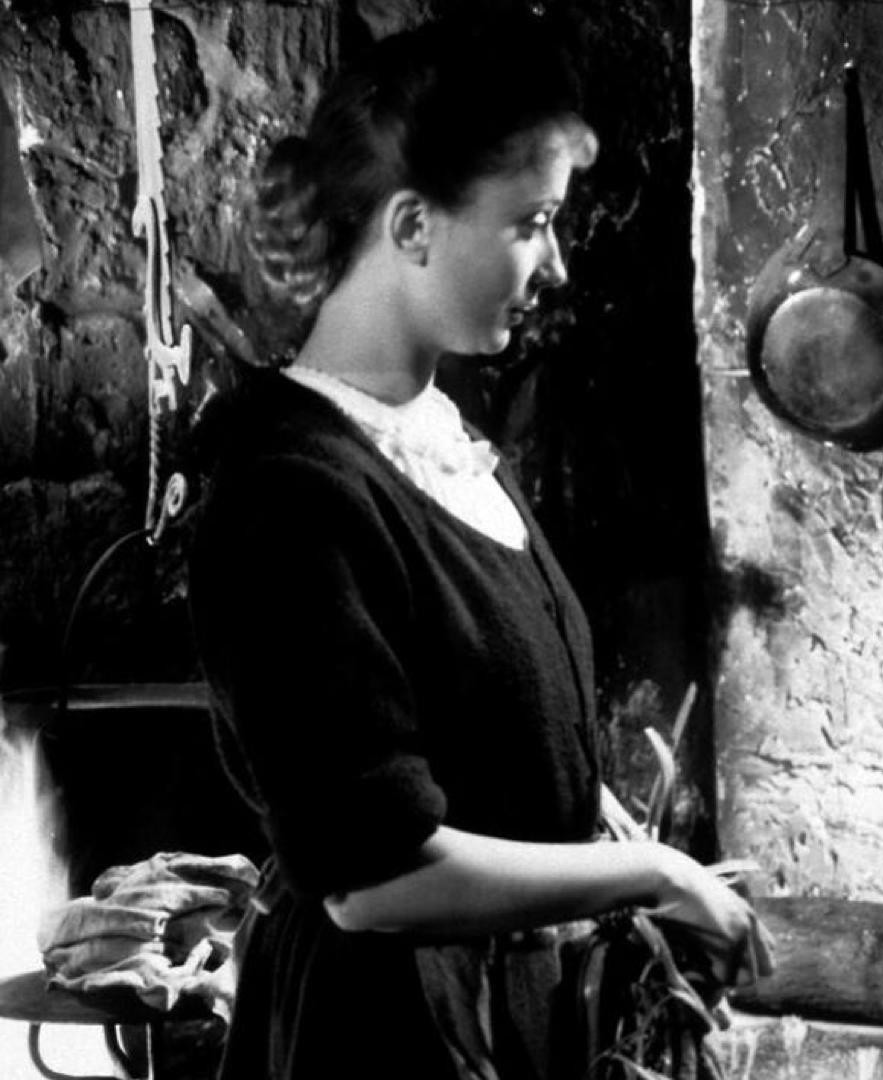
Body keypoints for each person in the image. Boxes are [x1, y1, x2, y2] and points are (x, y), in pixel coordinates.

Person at [188, 15, 764, 1080]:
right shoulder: (288, 492)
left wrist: (610, 837)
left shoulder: (433, 436)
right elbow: (376, 882)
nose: (554, 265)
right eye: (531, 223)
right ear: (413, 226)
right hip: (387, 1037)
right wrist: (656, 877)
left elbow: (497, 732)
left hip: (506, 1011)